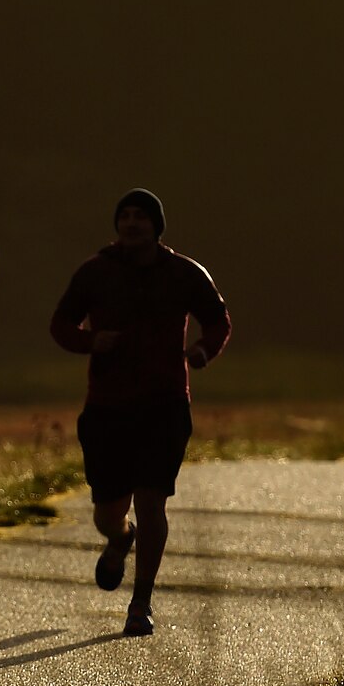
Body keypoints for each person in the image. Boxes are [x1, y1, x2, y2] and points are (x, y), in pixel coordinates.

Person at [49, 188, 230, 637]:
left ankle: (141, 602)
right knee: (108, 512)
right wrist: (92, 341)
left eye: (141, 217)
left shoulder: (184, 273)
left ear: (156, 226)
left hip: (164, 406)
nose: (131, 224)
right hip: (107, 408)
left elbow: (219, 320)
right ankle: (118, 539)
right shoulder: (95, 272)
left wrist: (204, 351)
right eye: (125, 216)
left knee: (152, 502)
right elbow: (60, 325)